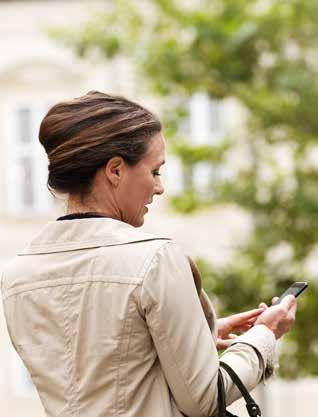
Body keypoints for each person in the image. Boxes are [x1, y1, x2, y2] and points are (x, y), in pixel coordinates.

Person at [1, 91, 297, 417]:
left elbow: (97, 365)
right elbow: (204, 400)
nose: (160, 187)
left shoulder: (18, 275)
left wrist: (199, 335)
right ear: (115, 170)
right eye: (155, 171)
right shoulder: (154, 259)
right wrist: (264, 336)